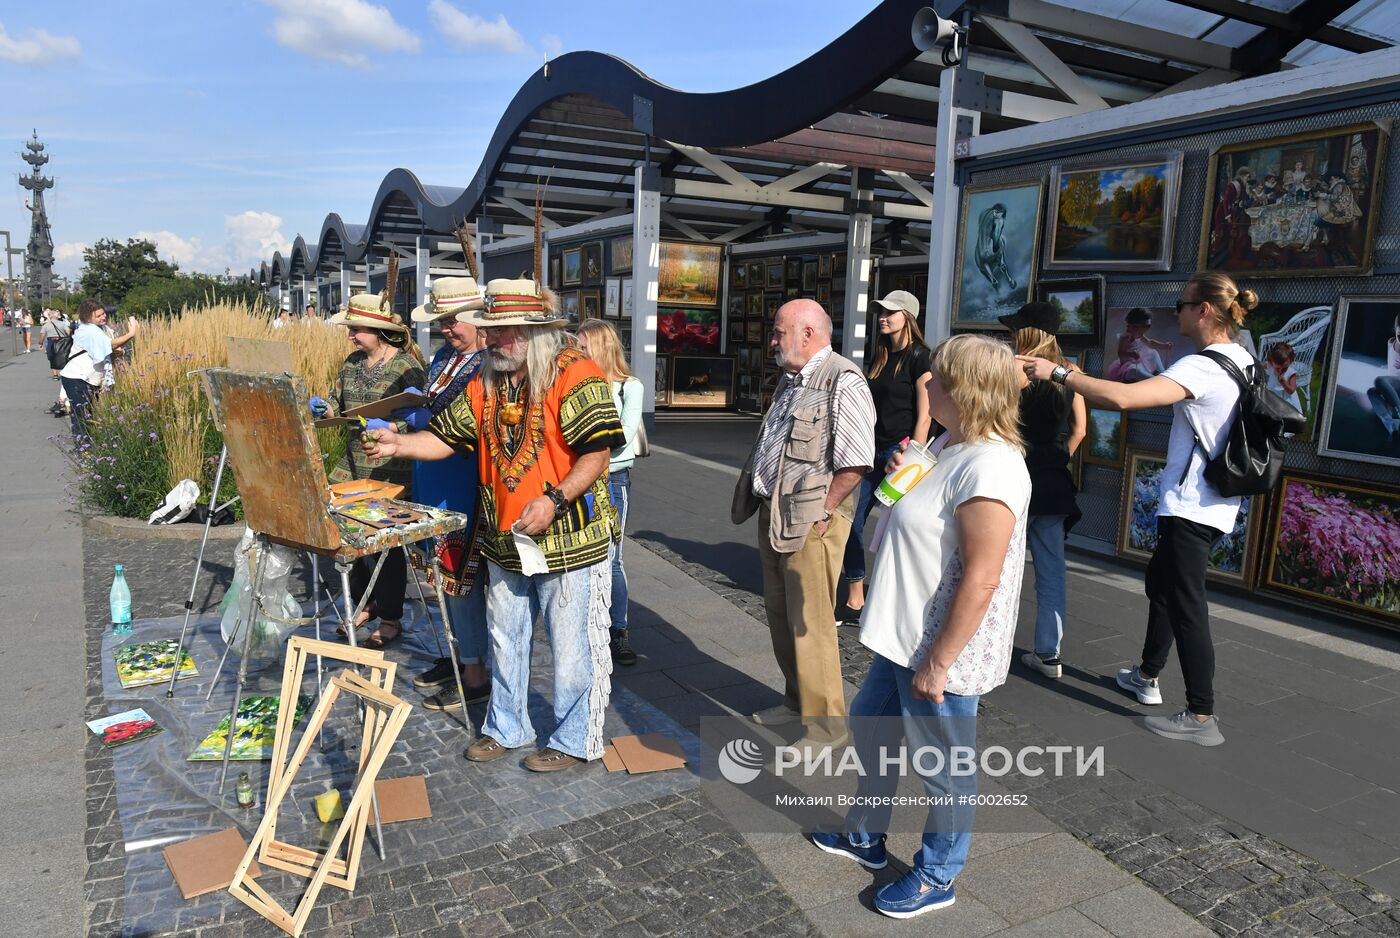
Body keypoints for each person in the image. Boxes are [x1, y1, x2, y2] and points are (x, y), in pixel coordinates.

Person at [809, 334, 1032, 920]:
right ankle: (865, 834)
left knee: (945, 766)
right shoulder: (953, 442)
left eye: (938, 378)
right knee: (871, 726)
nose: (927, 385)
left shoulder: (993, 467)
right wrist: (899, 477)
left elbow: (982, 578)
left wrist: (940, 661)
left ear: (969, 391)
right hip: (903, 634)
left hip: (938, 649)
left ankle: (939, 873)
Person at [363, 277, 624, 773]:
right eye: (490, 330)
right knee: (505, 640)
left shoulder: (576, 372)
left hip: (570, 538)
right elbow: (445, 438)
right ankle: (508, 726)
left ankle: (574, 740)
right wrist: (397, 445)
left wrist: (554, 499)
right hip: (505, 539)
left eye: (502, 332)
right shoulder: (486, 379)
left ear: (533, 330)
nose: (493, 340)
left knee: (571, 651)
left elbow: (598, 452)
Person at [1020, 271, 1260, 747]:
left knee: (1187, 603)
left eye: (1183, 304)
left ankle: (1200, 715)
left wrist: (1060, 372)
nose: (1177, 312)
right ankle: (1147, 675)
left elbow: (1124, 397)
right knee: (1164, 587)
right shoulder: (1242, 358)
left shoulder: (1205, 366)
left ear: (1204, 311)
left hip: (1194, 503)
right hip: (1209, 500)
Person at [733, 299, 875, 747]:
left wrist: (825, 510)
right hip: (777, 516)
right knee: (780, 615)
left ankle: (826, 727)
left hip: (812, 521)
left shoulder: (842, 379)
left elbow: (856, 461)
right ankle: (797, 702)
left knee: (809, 625)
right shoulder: (793, 379)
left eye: (778, 332)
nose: (772, 340)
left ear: (808, 333)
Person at [313, 291, 427, 649]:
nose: (350, 335)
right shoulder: (351, 363)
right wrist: (324, 411)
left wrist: (393, 428)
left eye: (357, 329)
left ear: (377, 330)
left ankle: (391, 615)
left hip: (391, 465)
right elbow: (336, 402)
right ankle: (365, 602)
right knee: (349, 536)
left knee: (384, 545)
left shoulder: (406, 366)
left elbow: (422, 418)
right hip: (352, 463)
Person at [404, 277, 493, 711]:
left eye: (452, 320)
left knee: (462, 576)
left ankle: (475, 673)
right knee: (439, 573)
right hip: (432, 475)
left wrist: (424, 417)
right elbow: (434, 405)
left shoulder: (490, 363)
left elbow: (469, 426)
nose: (445, 329)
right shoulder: (444, 357)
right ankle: (460, 655)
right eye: (441, 321)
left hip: (463, 480)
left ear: (478, 320)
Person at [998, 302, 1085, 680]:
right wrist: (1056, 457)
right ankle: (1049, 653)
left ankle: (991, 644)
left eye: (1016, 329)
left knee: (998, 568)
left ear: (1026, 332)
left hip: (1010, 476)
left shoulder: (1012, 371)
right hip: (1051, 479)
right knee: (1051, 572)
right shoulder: (1072, 373)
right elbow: (1080, 428)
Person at [838, 290, 933, 624]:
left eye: (890, 312)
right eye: (880, 311)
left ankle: (895, 602)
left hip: (901, 452)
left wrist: (914, 455)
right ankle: (855, 597)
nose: (882, 316)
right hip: (869, 450)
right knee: (849, 520)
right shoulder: (878, 355)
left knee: (899, 530)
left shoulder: (921, 356)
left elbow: (925, 413)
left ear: (907, 316)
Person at [577, 319, 644, 667]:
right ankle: (587, 627)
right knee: (581, 556)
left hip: (613, 480)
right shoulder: (575, 383)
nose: (577, 351)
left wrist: (586, 452)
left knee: (611, 557)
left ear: (601, 347)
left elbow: (624, 434)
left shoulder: (629, 387)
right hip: (579, 481)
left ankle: (618, 630)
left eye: (583, 345)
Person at [59, 300, 113, 440]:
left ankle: (87, 445)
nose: (103, 317)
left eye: (103, 313)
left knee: (88, 414)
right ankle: (83, 449)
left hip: (87, 379)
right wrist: (131, 334)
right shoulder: (89, 331)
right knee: (81, 415)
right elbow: (109, 345)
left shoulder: (101, 329)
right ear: (88, 317)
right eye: (99, 315)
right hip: (78, 378)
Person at [1106, 307, 1172, 383]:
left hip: (1140, 361)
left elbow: (1150, 343)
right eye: (1143, 327)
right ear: (1133, 326)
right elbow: (1120, 353)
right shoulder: (1125, 337)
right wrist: (1131, 354)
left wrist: (1164, 346)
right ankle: (1153, 379)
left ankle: (1163, 374)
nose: (1142, 333)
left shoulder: (1139, 335)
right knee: (1133, 371)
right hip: (1128, 364)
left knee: (1154, 353)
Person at [1366, 312, 1400, 437]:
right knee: (1371, 392)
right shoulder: (1390, 342)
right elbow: (1392, 369)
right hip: (1394, 388)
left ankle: (1398, 412)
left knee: (1379, 380)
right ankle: (1392, 426)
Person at [1265, 341, 1301, 413]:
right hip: (1273, 397)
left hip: (1286, 401)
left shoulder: (1290, 373)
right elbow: (1257, 364)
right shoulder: (1270, 366)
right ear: (1272, 361)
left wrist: (1284, 383)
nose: (1281, 371)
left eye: (1284, 368)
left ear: (1290, 362)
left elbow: (1291, 390)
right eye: (1278, 368)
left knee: (1287, 417)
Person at [42, 309, 70, 378]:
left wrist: (40, 343)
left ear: (49, 316)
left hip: (51, 341)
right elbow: (68, 331)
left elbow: (42, 334)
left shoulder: (46, 325)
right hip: (61, 341)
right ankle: (64, 372)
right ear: (56, 316)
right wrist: (66, 335)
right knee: (63, 355)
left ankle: (55, 374)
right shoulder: (62, 323)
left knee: (52, 357)